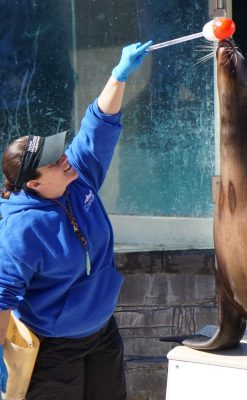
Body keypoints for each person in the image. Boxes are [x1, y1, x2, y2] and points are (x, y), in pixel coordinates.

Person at [0, 39, 152, 400]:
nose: (63, 158)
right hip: (52, 349)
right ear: (34, 183)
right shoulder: (20, 230)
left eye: (59, 151)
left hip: (102, 333)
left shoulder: (78, 176)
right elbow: (3, 297)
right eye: (53, 161)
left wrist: (119, 76)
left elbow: (98, 124)